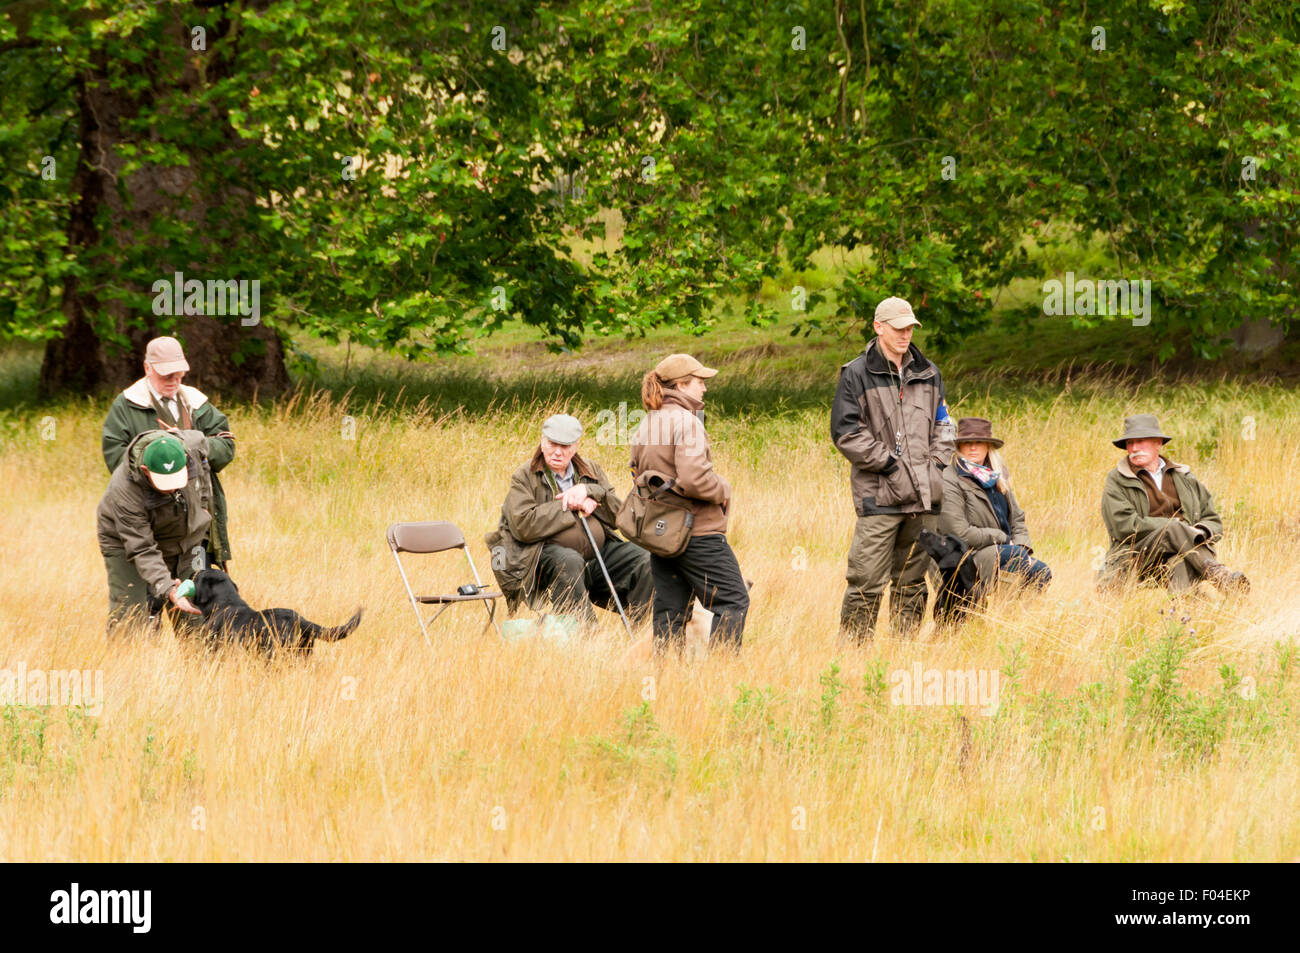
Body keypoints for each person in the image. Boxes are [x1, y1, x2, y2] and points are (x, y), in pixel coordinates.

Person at [830, 295, 956, 641]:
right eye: (898, 328)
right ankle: (854, 657)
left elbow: (945, 426)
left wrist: (936, 465)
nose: (905, 335)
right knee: (866, 581)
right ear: (878, 327)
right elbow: (845, 433)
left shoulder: (929, 372)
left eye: (910, 328)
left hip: (924, 497)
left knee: (912, 582)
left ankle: (903, 651)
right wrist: (888, 464)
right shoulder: (856, 374)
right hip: (880, 498)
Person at [629, 354, 749, 651]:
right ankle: (722, 673)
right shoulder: (687, 423)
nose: (704, 388)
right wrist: (723, 489)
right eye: (699, 382)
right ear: (681, 385)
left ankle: (666, 676)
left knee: (670, 609)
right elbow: (694, 479)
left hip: (662, 534)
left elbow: (637, 472)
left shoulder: (647, 423)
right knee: (733, 599)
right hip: (698, 533)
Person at [489, 414, 652, 625]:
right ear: (542, 441)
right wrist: (569, 505)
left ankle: (645, 631)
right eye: (552, 444)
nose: (558, 451)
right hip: (546, 557)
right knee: (569, 560)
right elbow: (522, 525)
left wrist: (591, 491)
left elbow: (617, 518)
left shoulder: (590, 470)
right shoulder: (525, 475)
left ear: (575, 446)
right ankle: (586, 636)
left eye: (565, 446)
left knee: (646, 559)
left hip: (597, 553)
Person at [101, 336, 236, 570]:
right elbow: (116, 459)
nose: (174, 380)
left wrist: (191, 443)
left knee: (195, 596)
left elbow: (226, 447)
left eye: (179, 374)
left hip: (198, 519)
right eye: (166, 374)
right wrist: (159, 455)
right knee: (150, 596)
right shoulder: (126, 405)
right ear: (147, 368)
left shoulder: (195, 402)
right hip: (150, 518)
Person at [1098, 414, 1249, 593]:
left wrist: (1197, 532)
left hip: (1182, 552)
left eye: (1140, 441)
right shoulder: (1117, 479)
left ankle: (1182, 613)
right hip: (1137, 555)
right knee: (1172, 528)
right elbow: (1123, 526)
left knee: (1180, 560)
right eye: (1129, 443)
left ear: (1158, 443)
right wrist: (1175, 527)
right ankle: (1218, 575)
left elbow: (1213, 521)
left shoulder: (1184, 477)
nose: (1134, 448)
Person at [97, 429, 214, 636]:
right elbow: (142, 549)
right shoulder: (124, 490)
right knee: (130, 616)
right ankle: (130, 662)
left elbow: (204, 467)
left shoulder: (193, 445)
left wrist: (203, 505)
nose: (171, 490)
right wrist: (168, 588)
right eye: (164, 484)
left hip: (186, 541)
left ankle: (200, 666)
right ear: (145, 470)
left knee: (197, 615)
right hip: (127, 544)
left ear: (186, 459)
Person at [938, 417, 1051, 603]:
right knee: (1015, 557)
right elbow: (958, 533)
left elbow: (1017, 519)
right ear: (959, 447)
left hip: (1006, 550)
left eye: (978, 442)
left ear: (987, 446)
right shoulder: (950, 479)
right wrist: (1003, 539)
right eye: (967, 443)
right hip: (968, 555)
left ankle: (1015, 619)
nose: (973, 447)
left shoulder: (997, 475)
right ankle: (1001, 615)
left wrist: (1021, 547)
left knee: (1042, 572)